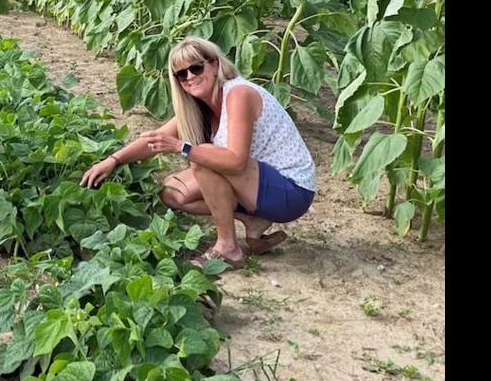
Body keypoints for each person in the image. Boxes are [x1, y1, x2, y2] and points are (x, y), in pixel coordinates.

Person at [80, 36, 317, 269]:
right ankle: (252, 220)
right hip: (256, 186)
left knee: (201, 156)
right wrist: (112, 161)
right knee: (172, 192)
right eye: (181, 74)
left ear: (215, 65)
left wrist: (181, 147)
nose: (190, 77)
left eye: (195, 67)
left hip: (291, 191)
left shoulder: (238, 94)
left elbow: (235, 162)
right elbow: (154, 139)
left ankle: (228, 248)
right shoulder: (198, 107)